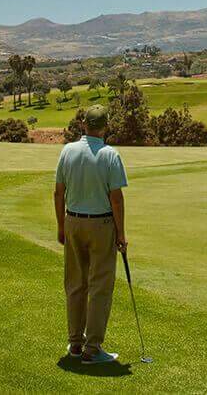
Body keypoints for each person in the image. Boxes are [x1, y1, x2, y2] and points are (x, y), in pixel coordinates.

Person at [53, 105, 129, 364]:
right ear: (105, 127)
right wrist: (121, 234)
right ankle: (92, 349)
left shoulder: (67, 151)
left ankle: (75, 344)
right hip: (101, 226)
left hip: (72, 221)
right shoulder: (110, 155)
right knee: (99, 287)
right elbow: (116, 199)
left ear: (84, 125)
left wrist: (61, 227)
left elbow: (58, 193)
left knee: (75, 284)